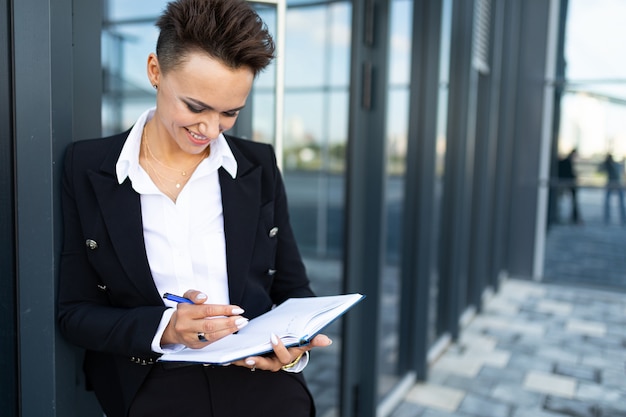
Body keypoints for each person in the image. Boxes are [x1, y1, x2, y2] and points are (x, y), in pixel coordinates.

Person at [57, 1, 331, 416]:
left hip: (259, 379)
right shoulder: (86, 167)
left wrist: (291, 353)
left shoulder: (257, 165)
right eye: (195, 107)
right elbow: (73, 312)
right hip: (151, 380)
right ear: (155, 71)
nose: (209, 128)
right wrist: (165, 328)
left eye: (229, 113)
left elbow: (292, 289)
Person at [599, 153, 626, 225]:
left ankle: (623, 219)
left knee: (621, 203)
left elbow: (620, 173)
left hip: (617, 184)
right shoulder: (608, 166)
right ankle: (607, 219)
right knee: (608, 203)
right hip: (611, 184)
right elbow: (600, 170)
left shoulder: (616, 165)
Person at [557, 148, 581, 224]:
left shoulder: (567, 161)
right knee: (564, 200)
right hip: (565, 183)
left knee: (571, 201)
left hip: (567, 183)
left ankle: (574, 217)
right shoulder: (566, 162)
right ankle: (574, 218)